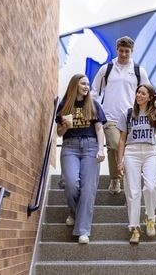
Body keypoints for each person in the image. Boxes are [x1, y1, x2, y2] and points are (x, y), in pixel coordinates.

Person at [91, 36, 150, 194]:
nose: (124, 54)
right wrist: (92, 110)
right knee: (115, 145)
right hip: (109, 116)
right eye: (121, 51)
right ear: (117, 50)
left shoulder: (138, 71)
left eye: (127, 51)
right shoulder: (107, 69)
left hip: (132, 118)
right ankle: (116, 179)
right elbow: (95, 91)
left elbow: (147, 92)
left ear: (132, 52)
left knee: (127, 149)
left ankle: (126, 181)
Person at [56, 74, 107, 244]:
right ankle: (75, 211)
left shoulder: (93, 105)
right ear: (75, 85)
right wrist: (63, 126)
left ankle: (83, 230)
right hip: (70, 146)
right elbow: (59, 133)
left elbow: (100, 130)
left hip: (91, 147)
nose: (86, 87)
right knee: (70, 183)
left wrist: (101, 149)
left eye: (88, 84)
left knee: (88, 188)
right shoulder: (64, 105)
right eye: (83, 84)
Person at [116, 84, 156, 244]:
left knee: (151, 186)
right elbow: (122, 139)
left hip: (151, 151)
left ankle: (150, 217)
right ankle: (135, 228)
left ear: (150, 97)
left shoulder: (153, 113)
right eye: (138, 92)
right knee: (133, 192)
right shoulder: (128, 113)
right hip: (131, 152)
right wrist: (120, 162)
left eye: (143, 93)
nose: (139, 95)